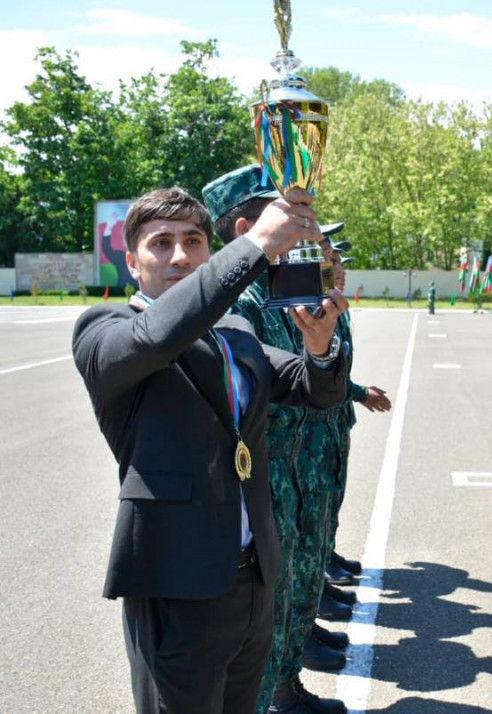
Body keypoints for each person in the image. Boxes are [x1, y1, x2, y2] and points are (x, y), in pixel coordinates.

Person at [72, 186, 349, 714]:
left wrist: (319, 345)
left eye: (193, 241)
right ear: (131, 262)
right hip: (178, 582)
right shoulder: (106, 330)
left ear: (207, 251)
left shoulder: (235, 333)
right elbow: (158, 335)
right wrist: (256, 247)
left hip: (252, 579)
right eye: (161, 244)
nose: (179, 255)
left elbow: (320, 392)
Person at [202, 165, 347, 714]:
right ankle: (272, 696)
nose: (299, 227)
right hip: (267, 475)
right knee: (269, 603)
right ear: (245, 228)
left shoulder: (280, 286)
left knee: (296, 587)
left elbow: (314, 373)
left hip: (301, 465)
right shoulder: (238, 302)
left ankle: (287, 687)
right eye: (279, 216)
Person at [321, 239, 392, 599]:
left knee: (331, 499)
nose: (340, 270)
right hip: (314, 422)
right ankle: (316, 578)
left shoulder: (337, 307)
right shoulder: (310, 307)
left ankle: (323, 560)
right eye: (332, 262)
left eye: (341, 262)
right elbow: (311, 371)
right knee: (313, 508)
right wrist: (362, 393)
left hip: (333, 417)